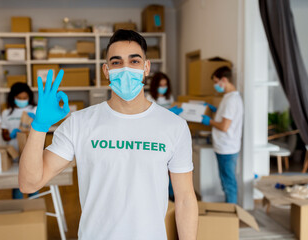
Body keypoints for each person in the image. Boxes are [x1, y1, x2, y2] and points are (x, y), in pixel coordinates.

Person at [19, 29, 198, 240]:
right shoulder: (80, 123)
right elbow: (29, 183)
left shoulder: (174, 126)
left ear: (146, 67)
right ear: (106, 70)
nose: (125, 69)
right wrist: (39, 126)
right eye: (116, 62)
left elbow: (185, 198)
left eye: (134, 61)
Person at [201, 66, 243, 204]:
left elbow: (224, 126)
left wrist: (210, 121)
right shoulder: (229, 97)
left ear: (224, 80)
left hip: (227, 148)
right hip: (225, 146)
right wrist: (215, 110)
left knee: (228, 183)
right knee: (226, 181)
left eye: (216, 81)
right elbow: (226, 118)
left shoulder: (231, 100)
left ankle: (232, 214)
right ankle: (230, 211)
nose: (215, 85)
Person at [1, 82, 37, 199]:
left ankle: (34, 210)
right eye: (19, 98)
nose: (22, 100)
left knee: (33, 183)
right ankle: (19, 211)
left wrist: (37, 121)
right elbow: (4, 136)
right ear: (13, 97)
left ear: (29, 97)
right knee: (17, 183)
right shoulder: (6, 113)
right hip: (14, 152)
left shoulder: (35, 109)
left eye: (24, 98)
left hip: (31, 151)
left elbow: (42, 131)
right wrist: (11, 135)